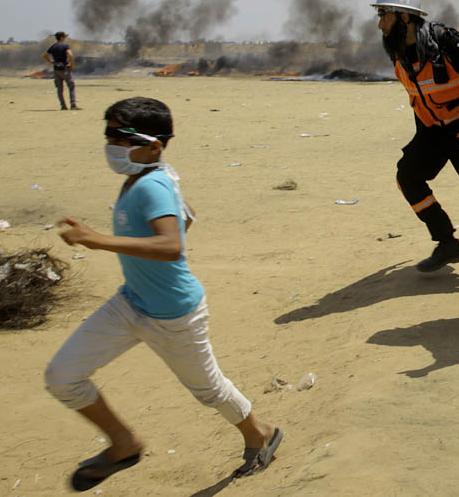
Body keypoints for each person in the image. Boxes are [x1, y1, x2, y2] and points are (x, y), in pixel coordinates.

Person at [44, 98, 281, 491]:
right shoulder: (151, 176)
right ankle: (124, 443)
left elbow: (172, 245)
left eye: (121, 136)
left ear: (154, 145)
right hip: (130, 302)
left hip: (174, 315)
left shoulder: (151, 183)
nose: (111, 143)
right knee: (62, 376)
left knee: (209, 391)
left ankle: (261, 434)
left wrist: (95, 239)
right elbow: (187, 215)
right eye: (109, 134)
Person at [372, 0, 459, 276]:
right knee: (408, 177)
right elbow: (420, 96)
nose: (379, 25)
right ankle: (446, 242)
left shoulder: (446, 43)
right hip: (432, 131)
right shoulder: (398, 51)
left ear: (404, 17)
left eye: (383, 16)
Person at [42, 31, 78, 110]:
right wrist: (72, 65)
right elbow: (71, 56)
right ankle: (73, 104)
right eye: (64, 36)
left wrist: (51, 62)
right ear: (61, 37)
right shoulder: (65, 46)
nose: (65, 38)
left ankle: (63, 106)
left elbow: (44, 56)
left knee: (60, 89)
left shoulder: (53, 46)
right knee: (71, 86)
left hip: (56, 70)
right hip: (64, 69)